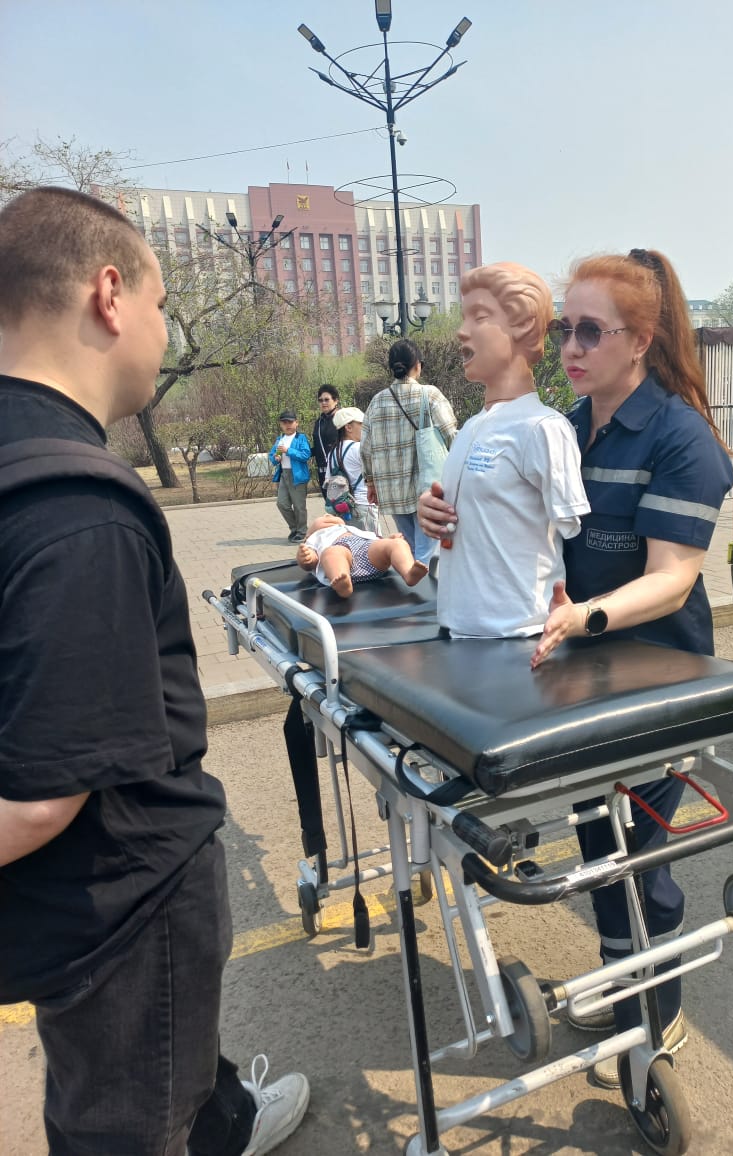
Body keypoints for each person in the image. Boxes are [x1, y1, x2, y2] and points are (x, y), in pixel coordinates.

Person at [0, 187, 309, 1155]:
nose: (166, 330)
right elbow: (44, 797)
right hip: (118, 903)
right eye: (162, 303)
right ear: (109, 295)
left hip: (60, 902)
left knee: (165, 1070)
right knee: (120, 1121)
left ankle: (224, 1118)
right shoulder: (75, 507)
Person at [420, 246, 733, 1089]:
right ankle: (620, 977)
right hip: (576, 661)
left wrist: (582, 615)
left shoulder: (679, 438)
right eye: (566, 328)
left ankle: (654, 1013)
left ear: (639, 341)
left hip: (655, 670)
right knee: (597, 834)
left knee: (637, 851)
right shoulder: (562, 424)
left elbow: (672, 580)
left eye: (590, 331)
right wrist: (442, 513)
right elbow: (519, 524)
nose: (570, 346)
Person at [438, 262, 590, 636]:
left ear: (522, 325)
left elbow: (573, 534)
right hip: (458, 630)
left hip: (518, 635)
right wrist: (434, 512)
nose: (462, 331)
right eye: (464, 317)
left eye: (479, 317)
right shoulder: (470, 427)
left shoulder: (543, 428)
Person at [360, 338, 457, 565]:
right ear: (417, 365)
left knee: (411, 548)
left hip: (391, 489)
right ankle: (425, 586)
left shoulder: (376, 402)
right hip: (426, 486)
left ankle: (413, 581)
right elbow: (451, 434)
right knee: (428, 551)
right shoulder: (429, 394)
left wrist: (370, 482)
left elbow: (365, 447)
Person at [296, 514, 428, 597]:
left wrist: (388, 541)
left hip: (368, 552)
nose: (327, 515)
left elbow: (374, 541)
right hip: (343, 554)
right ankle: (343, 583)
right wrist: (307, 557)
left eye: (330, 515)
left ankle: (408, 573)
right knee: (331, 553)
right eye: (322, 518)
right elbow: (310, 562)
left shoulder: (350, 529)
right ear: (309, 533)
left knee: (397, 544)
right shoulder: (313, 539)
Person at [324, 406, 378, 532]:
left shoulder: (332, 452)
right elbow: (376, 473)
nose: (365, 427)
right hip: (364, 505)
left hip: (343, 508)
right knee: (371, 543)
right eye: (361, 424)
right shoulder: (359, 448)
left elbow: (328, 480)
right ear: (348, 427)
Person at [269, 409, 311, 543]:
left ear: (296, 423)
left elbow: (306, 455)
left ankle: (302, 532)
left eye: (290, 422)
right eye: (284, 423)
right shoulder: (279, 439)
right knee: (282, 504)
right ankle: (295, 529)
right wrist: (276, 458)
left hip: (298, 475)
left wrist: (288, 450)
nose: (287, 425)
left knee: (299, 506)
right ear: (281, 425)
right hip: (284, 475)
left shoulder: (301, 438)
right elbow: (272, 456)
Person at [311, 384, 340, 492]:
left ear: (335, 401)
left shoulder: (342, 418)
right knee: (329, 501)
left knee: (341, 500)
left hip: (339, 469)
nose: (323, 403)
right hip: (323, 470)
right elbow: (318, 446)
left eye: (327, 400)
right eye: (320, 400)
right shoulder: (318, 422)